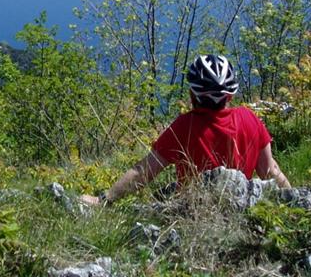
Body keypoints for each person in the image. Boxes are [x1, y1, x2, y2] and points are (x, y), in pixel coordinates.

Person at [81, 54, 290, 206]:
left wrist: (104, 199)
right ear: (230, 96)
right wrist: (294, 199)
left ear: (192, 94)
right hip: (242, 207)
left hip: (193, 211)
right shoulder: (249, 118)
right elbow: (270, 171)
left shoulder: (184, 126)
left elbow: (144, 171)